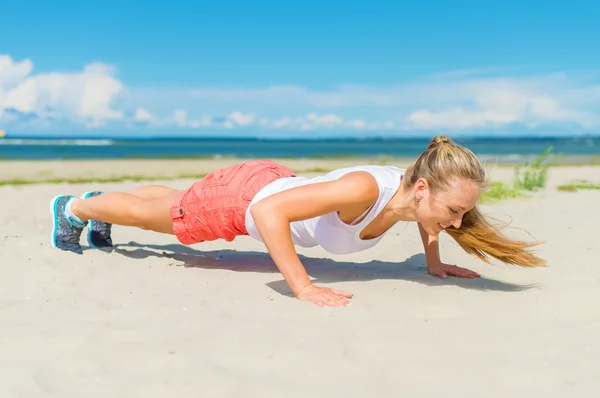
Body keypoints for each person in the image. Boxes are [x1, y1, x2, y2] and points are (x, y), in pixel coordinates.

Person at [49, 135, 546, 307]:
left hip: (270, 181)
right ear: (422, 188)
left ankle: (98, 202)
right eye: (454, 210)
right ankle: (75, 207)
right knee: (154, 219)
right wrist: (303, 287)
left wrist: (434, 263)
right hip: (244, 199)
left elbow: (428, 219)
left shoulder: (413, 191)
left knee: (175, 201)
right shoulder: (368, 189)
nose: (457, 222)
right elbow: (268, 214)